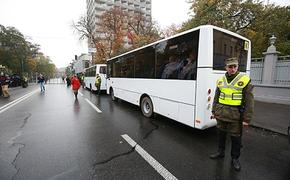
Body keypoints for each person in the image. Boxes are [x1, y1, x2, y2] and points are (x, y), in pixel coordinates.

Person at [210, 57, 254, 172]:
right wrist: (214, 111)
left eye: (235, 66)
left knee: (236, 138)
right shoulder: (221, 80)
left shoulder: (244, 80)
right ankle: (220, 152)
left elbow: (250, 101)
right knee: (221, 134)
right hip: (221, 113)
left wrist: (246, 119)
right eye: (230, 67)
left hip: (235, 115)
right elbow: (216, 97)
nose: (232, 69)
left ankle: (235, 158)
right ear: (226, 67)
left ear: (237, 67)